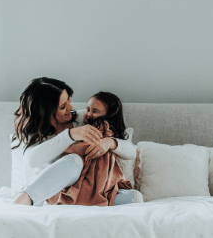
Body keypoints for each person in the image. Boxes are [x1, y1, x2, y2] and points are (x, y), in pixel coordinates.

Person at [11, 78, 141, 206]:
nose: (70, 107)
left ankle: (75, 202)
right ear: (46, 112)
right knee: (74, 160)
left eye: (68, 100)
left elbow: (131, 151)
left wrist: (109, 142)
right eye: (63, 106)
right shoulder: (37, 133)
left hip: (87, 191)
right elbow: (31, 160)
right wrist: (70, 137)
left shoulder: (84, 118)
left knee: (135, 198)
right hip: (48, 192)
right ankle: (27, 198)